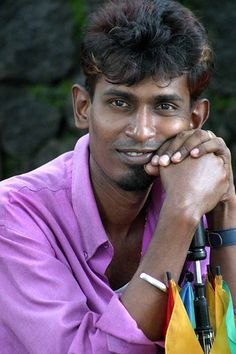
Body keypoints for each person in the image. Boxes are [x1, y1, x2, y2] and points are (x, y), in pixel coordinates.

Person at [0, 0, 235, 353]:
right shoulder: (14, 217)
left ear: (196, 120)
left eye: (164, 106)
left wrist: (225, 208)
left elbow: (227, 338)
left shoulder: (192, 193)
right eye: (120, 103)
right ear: (83, 107)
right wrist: (179, 219)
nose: (142, 131)